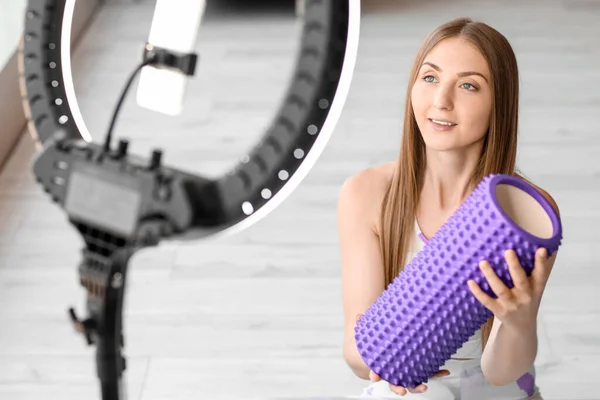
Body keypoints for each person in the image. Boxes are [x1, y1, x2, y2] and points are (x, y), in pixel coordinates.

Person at [337, 17, 560, 399]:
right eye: (430, 78)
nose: (441, 100)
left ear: (499, 104)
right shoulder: (368, 194)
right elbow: (356, 352)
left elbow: (502, 371)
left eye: (468, 85)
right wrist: (386, 360)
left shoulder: (523, 214)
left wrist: (519, 324)